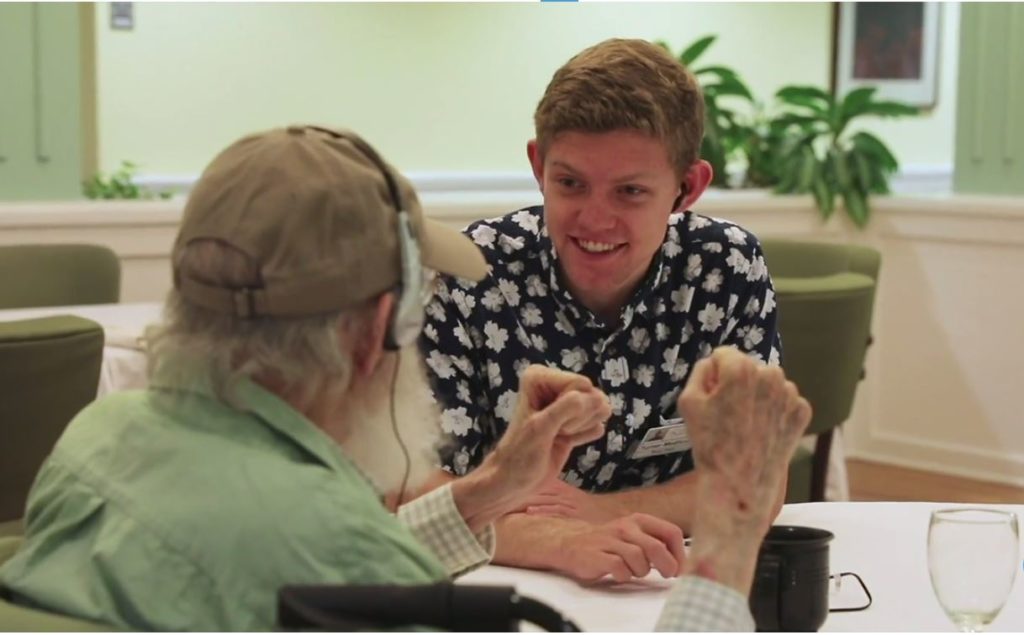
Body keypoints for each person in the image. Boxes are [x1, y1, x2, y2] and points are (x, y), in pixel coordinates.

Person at [0, 125, 811, 632]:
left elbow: (333, 577)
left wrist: (488, 488)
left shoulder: (94, 436)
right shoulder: (322, 532)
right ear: (373, 331)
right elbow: (335, 563)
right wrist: (734, 525)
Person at [419, 38, 785, 581]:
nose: (594, 219)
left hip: (663, 580)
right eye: (570, 184)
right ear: (538, 166)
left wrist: (602, 515)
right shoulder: (471, 272)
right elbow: (407, 488)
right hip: (494, 584)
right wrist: (558, 540)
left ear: (687, 188)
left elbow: (758, 481)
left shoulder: (725, 268)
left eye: (630, 192)